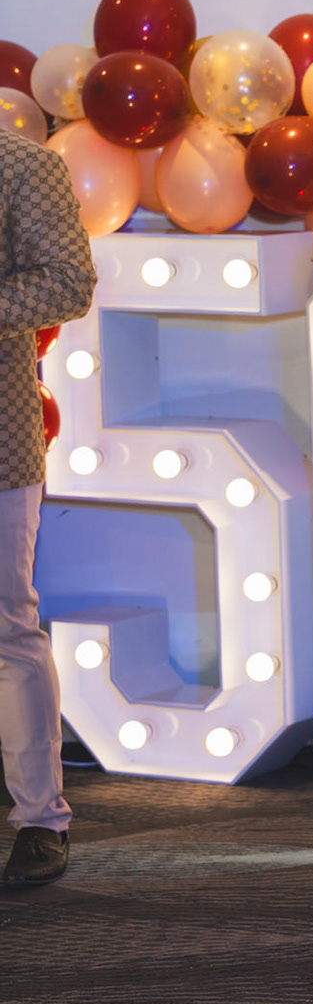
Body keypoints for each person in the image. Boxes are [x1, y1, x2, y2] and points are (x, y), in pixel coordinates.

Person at [0, 128, 97, 889]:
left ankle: (40, 817)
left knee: (7, 629)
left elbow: (70, 281)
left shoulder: (22, 164)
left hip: (0, 440)